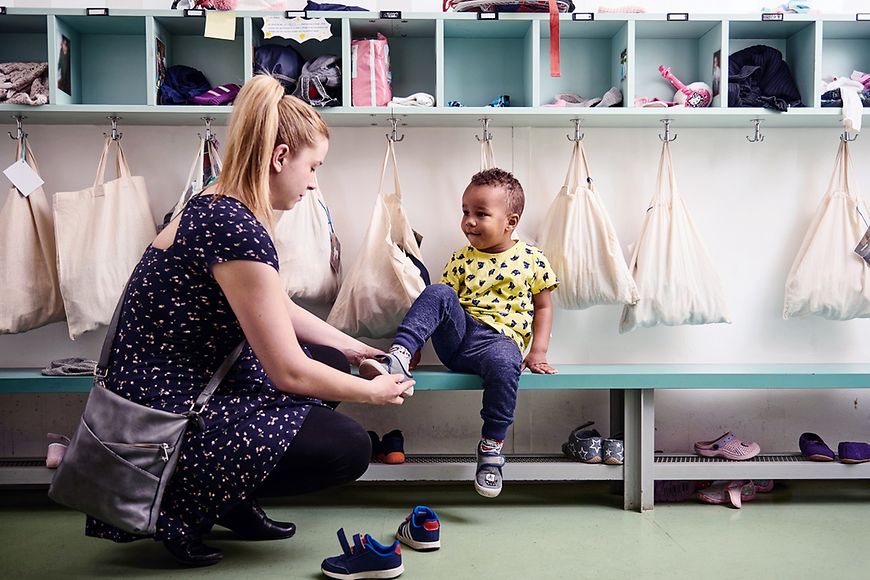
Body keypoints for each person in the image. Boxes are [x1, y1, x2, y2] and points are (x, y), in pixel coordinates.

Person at [85, 74, 414, 566]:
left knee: (329, 359)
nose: (313, 182)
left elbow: (274, 303)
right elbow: (288, 372)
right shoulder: (233, 227)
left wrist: (353, 347)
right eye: (312, 167)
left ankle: (229, 495)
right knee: (347, 448)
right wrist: (378, 393)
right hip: (164, 420)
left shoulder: (217, 204)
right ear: (280, 157)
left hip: (175, 386)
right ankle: (181, 509)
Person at [359, 168, 559, 498]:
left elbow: (544, 307)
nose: (469, 221)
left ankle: (492, 448)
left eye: (481, 214)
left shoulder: (532, 259)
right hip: (459, 340)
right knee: (438, 291)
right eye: (465, 212)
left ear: (510, 222)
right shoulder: (461, 258)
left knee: (507, 359)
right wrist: (418, 343)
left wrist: (538, 350)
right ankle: (400, 355)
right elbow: (438, 308)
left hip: (499, 344)